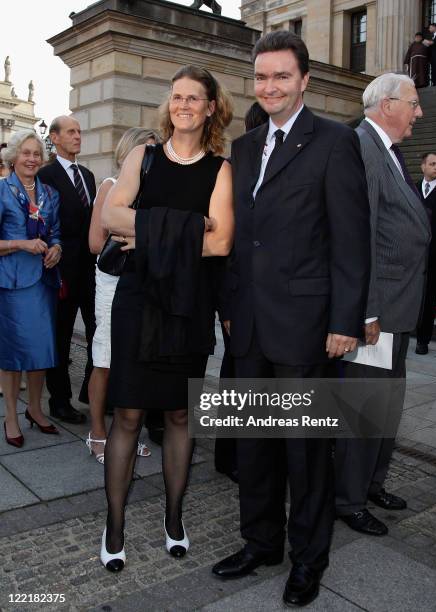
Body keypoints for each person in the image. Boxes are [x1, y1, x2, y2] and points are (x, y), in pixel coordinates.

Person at [212, 31, 370, 608]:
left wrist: (346, 320)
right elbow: (238, 240)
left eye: (281, 76)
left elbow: (352, 242)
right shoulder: (246, 146)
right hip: (248, 325)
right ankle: (261, 543)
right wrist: (229, 309)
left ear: (305, 80)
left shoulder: (333, 142)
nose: (270, 86)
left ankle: (308, 559)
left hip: (307, 327)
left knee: (305, 451)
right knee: (253, 445)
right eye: (261, 77)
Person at [99, 65, 234, 572]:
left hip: (188, 306)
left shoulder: (221, 169)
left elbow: (220, 241)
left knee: (180, 415)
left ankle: (174, 517)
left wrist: (150, 235)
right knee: (128, 415)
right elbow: (112, 217)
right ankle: (114, 523)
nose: (183, 105)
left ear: (211, 107)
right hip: (138, 301)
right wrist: (186, 229)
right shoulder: (144, 156)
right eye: (176, 97)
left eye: (194, 98)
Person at [335, 74, 430, 537]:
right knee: (365, 407)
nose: (420, 112)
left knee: (387, 407)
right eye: (414, 103)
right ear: (388, 105)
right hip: (377, 312)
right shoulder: (362, 147)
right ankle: (348, 499)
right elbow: (360, 236)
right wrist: (367, 311)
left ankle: (371, 483)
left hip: (399, 308)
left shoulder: (388, 151)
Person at [86, 128, 155, 463]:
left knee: (136, 363)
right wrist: (140, 233)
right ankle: (98, 433)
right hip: (112, 281)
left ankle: (127, 434)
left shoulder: (153, 192)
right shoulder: (111, 186)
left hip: (144, 282)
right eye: (146, 150)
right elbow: (96, 244)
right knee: (106, 359)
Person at [214, 100, 268, 483]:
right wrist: (227, 306)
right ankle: (229, 453)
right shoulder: (236, 166)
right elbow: (227, 244)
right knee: (237, 375)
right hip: (238, 293)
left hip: (259, 297)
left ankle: (237, 452)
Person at [0, 130, 62, 447]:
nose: (32, 159)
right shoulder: (1, 191)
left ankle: (36, 409)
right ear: (13, 156)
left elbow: (56, 234)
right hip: (11, 284)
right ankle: (11, 415)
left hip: (44, 282)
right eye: (26, 153)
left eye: (37, 154)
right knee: (11, 355)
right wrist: (20, 243)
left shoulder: (50, 194)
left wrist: (57, 249)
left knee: (41, 351)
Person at [38, 116, 96, 425]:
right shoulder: (45, 175)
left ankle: (93, 391)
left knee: (98, 332)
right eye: (71, 132)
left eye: (79, 132)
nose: (77, 136)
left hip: (90, 269)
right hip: (60, 268)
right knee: (60, 336)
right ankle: (59, 400)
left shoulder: (87, 175)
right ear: (56, 138)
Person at [416, 152, 436, 354]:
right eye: (432, 164)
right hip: (412, 255)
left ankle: (422, 340)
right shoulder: (412, 188)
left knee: (430, 297)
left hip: (435, 256)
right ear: (423, 166)